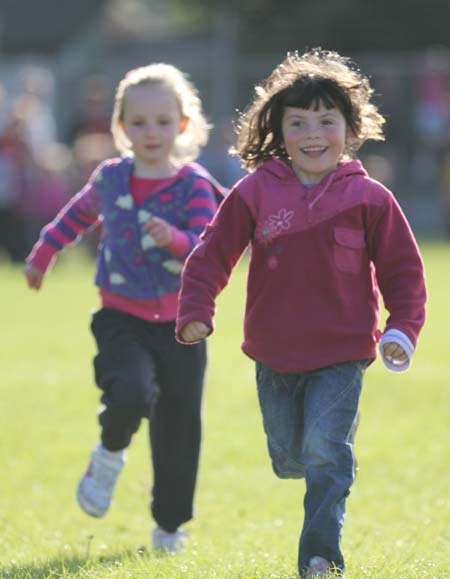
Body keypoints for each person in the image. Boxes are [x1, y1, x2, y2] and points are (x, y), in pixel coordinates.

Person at [176, 49, 427, 578]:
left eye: (326, 121)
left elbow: (405, 273)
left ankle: (320, 558)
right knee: (292, 455)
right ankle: (317, 456)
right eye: (298, 122)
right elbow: (212, 252)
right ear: (279, 129)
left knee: (325, 452)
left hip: (344, 350)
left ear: (351, 129)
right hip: (275, 350)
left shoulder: (370, 199)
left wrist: (402, 329)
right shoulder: (255, 192)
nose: (313, 133)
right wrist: (197, 307)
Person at [25, 63, 225, 552]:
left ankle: (169, 527)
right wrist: (44, 253)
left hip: (183, 325)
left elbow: (208, 243)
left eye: (161, 121)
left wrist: (175, 238)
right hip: (121, 317)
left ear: (182, 124)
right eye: (138, 122)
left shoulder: (194, 185)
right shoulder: (111, 178)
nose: (150, 132)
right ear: (121, 127)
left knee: (179, 426)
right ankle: (109, 452)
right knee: (130, 390)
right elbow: (76, 214)